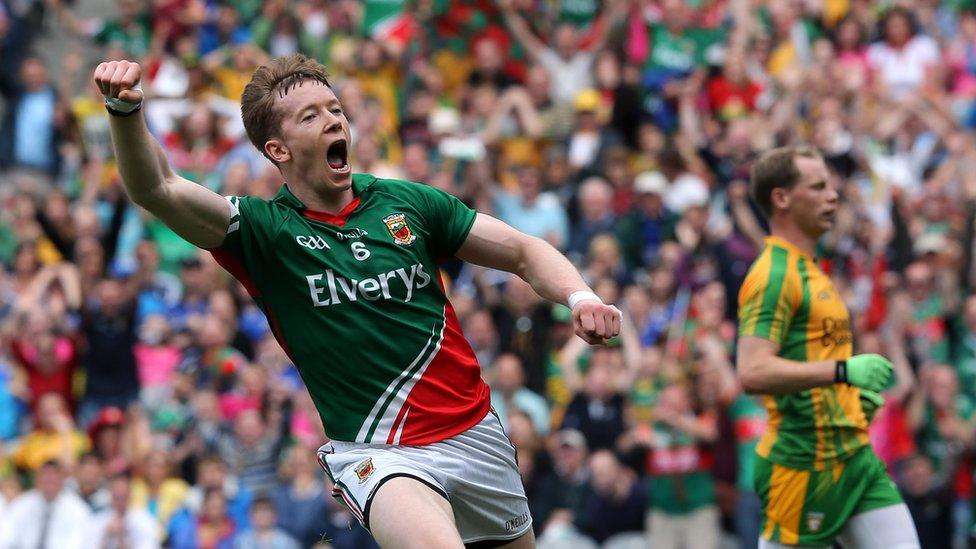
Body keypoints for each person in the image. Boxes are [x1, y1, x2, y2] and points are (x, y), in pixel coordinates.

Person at [94, 53, 622, 549]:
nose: (333, 121)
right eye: (309, 117)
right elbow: (158, 188)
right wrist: (125, 110)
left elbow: (524, 251)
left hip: (475, 433)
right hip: (379, 453)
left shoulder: (406, 202)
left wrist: (579, 295)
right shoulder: (264, 232)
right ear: (277, 149)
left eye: (336, 109)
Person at [735, 145, 920, 548]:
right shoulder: (773, 275)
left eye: (832, 186)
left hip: (855, 455)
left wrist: (849, 397)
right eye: (818, 187)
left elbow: (812, 360)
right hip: (804, 464)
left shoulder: (813, 269)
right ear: (781, 198)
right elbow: (752, 372)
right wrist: (843, 371)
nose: (833, 195)